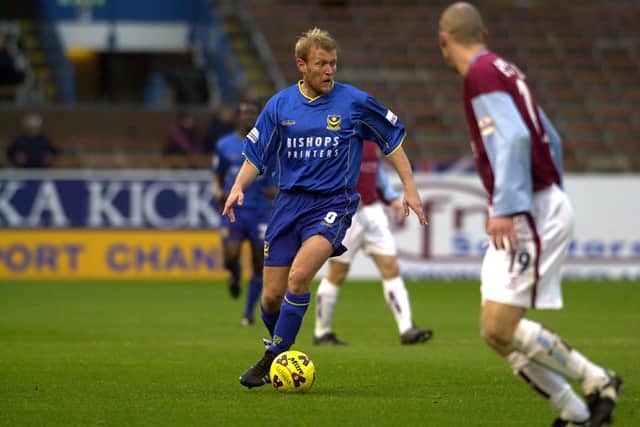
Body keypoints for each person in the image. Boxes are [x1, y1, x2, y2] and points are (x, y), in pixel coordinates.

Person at [438, 3, 622, 427]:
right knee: (494, 331)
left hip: (528, 208)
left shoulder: (481, 75)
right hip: (537, 200)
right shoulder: (506, 70)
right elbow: (549, 136)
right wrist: (548, 191)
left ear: (444, 40)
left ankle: (598, 381)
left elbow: (518, 138)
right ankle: (574, 412)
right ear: (482, 33)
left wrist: (511, 205)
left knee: (502, 326)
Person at [223, 27, 427, 389]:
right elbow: (256, 154)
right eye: (321, 64)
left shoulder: (354, 102)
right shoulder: (280, 105)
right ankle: (280, 349)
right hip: (289, 204)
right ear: (301, 65)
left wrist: (409, 186)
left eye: (333, 63)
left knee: (299, 276)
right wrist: (239, 185)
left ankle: (273, 359)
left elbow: (391, 139)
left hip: (333, 203)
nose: (329, 71)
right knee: (271, 297)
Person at [313, 140, 433, 345]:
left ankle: (406, 328)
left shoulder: (371, 141)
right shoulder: (338, 138)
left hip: (373, 211)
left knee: (391, 267)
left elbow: (375, 173)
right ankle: (321, 331)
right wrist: (340, 197)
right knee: (337, 273)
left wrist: (391, 198)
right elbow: (323, 172)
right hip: (347, 214)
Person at [212, 100, 277, 326]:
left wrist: (275, 191)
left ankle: (248, 313)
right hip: (235, 210)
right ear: (237, 117)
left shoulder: (268, 144)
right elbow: (217, 174)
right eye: (245, 113)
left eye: (253, 113)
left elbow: (277, 176)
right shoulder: (224, 145)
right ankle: (235, 275)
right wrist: (218, 190)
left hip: (261, 211)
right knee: (230, 256)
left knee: (259, 262)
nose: (249, 117)